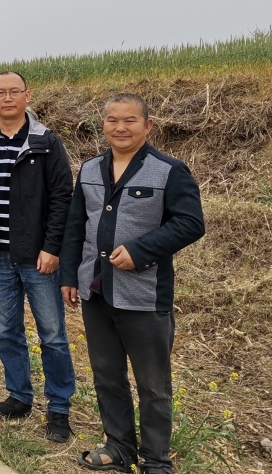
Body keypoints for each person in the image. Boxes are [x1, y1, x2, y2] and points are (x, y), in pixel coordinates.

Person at [61, 93, 205, 474]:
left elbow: (191, 223)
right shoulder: (90, 169)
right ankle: (119, 447)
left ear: (147, 125)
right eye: (112, 120)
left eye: (130, 120)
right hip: (96, 291)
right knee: (107, 375)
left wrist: (140, 251)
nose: (120, 127)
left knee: (153, 385)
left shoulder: (169, 171)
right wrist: (69, 275)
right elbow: (76, 226)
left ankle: (156, 460)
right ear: (103, 125)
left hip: (144, 295)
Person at [0, 71, 76, 443]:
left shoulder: (46, 142)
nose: (8, 97)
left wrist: (52, 247)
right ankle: (19, 395)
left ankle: (59, 407)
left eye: (14, 91)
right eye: (1, 92)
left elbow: (62, 198)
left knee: (53, 335)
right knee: (6, 331)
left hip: (38, 258)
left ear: (28, 95)